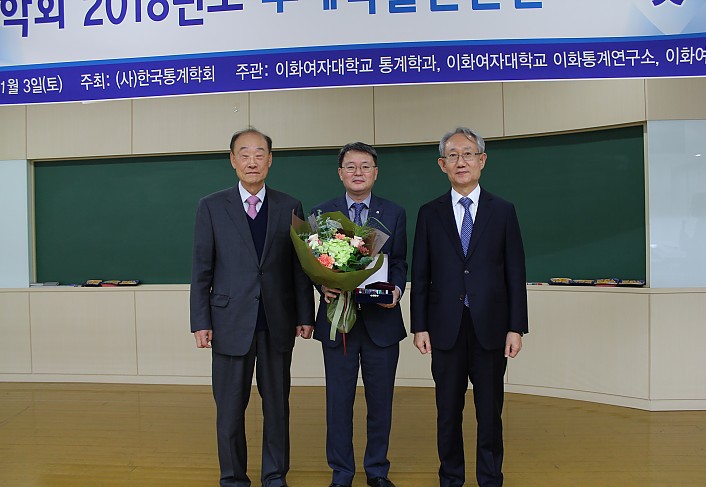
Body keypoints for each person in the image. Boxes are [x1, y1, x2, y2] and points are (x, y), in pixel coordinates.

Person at [190, 128, 315, 487]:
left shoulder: (290, 205)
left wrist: (305, 315)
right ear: (232, 160)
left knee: (277, 408)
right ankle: (233, 478)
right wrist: (200, 321)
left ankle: (275, 477)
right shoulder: (211, 206)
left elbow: (300, 267)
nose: (252, 161)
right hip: (229, 322)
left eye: (259, 154)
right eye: (244, 154)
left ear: (270, 160)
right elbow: (201, 269)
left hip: (277, 323)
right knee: (230, 411)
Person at [410, 127, 528, 487]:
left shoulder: (503, 211)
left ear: (482, 160)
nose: (461, 161)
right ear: (442, 164)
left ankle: (490, 478)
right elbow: (421, 274)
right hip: (444, 327)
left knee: (490, 412)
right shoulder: (429, 213)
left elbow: (515, 273)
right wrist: (419, 326)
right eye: (453, 155)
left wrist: (516, 327)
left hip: (491, 327)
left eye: (468, 154)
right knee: (447, 411)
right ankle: (451, 478)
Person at [312, 142, 407, 487]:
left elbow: (399, 262)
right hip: (339, 322)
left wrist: (396, 290)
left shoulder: (394, 212)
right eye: (351, 166)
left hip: (382, 321)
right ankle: (342, 473)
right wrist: (321, 285)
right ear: (340, 173)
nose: (358, 172)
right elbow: (314, 262)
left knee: (380, 404)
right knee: (338, 403)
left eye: (365, 166)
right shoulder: (322, 213)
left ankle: (377, 471)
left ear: (375, 173)